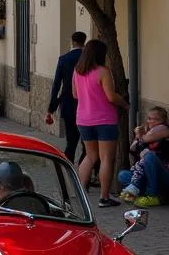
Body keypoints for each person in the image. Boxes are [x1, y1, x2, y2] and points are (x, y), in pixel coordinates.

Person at [73, 38, 128, 207]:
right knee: (106, 159)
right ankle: (104, 197)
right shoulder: (103, 71)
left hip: (83, 119)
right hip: (104, 119)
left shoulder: (77, 71)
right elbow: (111, 96)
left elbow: (75, 95)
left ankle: (81, 192)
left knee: (90, 156)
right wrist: (125, 104)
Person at [119, 107, 169, 206]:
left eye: (155, 119)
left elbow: (145, 140)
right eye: (149, 118)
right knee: (123, 175)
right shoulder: (148, 131)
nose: (151, 121)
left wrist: (139, 135)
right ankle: (140, 193)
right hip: (146, 175)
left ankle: (152, 195)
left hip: (163, 176)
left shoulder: (165, 128)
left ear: (164, 120)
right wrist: (139, 136)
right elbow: (133, 149)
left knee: (149, 156)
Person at [45, 31, 86, 164]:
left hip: (68, 104)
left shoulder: (64, 59)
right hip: (87, 104)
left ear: (72, 42)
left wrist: (51, 109)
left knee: (71, 141)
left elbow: (57, 84)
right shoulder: (89, 59)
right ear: (84, 41)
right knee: (88, 143)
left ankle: (69, 168)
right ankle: (85, 169)